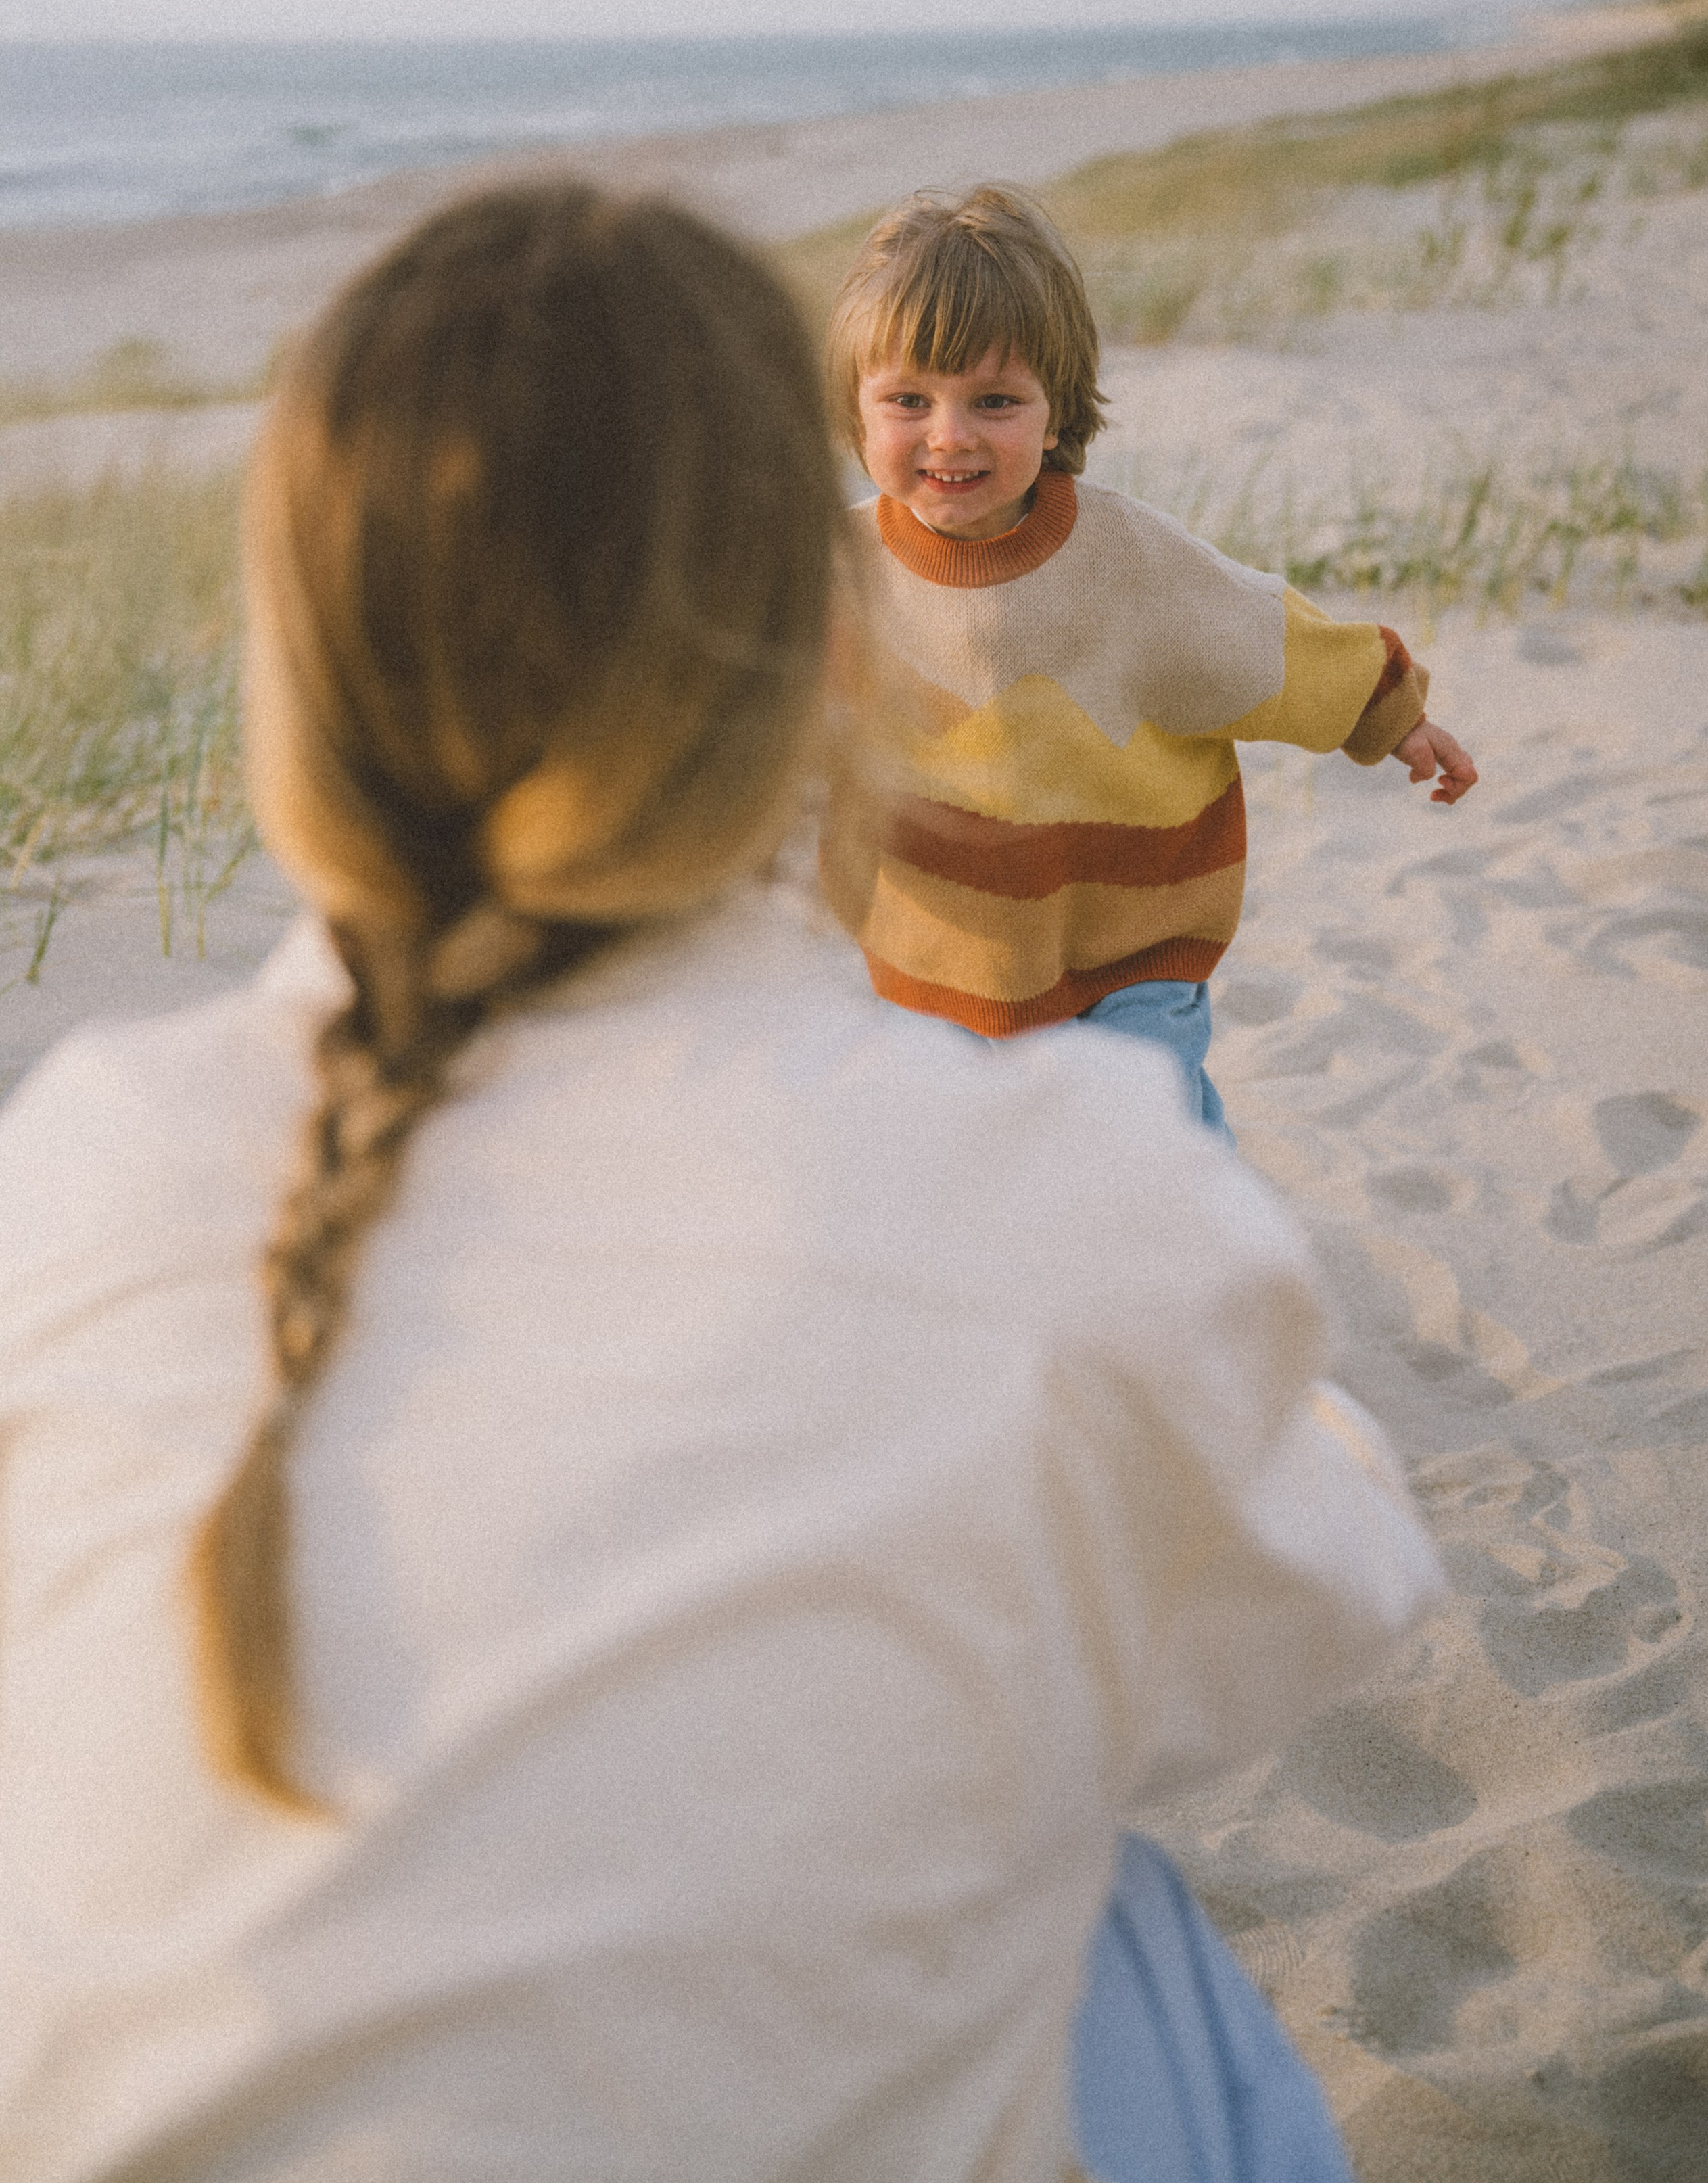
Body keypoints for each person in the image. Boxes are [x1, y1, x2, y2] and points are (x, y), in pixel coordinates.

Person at [0, 183, 1443, 2182]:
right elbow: (1322, 1600)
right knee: (1105, 1896)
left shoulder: (70, 1161)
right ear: (819, 660)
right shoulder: (1048, 1190)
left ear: (294, 674)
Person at [825, 185, 1479, 1134]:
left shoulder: (1128, 561)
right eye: (909, 401)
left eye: (995, 401)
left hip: (1129, 951)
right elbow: (740, 698)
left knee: (1153, 1147)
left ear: (1055, 414)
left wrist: (1390, 716)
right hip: (927, 955)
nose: (951, 435)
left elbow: (1261, 639)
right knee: (947, 1170)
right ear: (858, 413)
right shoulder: (833, 575)